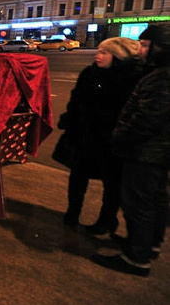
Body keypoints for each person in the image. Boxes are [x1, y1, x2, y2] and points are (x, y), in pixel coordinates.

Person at [92, 26, 170, 276]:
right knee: (155, 200)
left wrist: (120, 137)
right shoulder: (158, 73)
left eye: (146, 45)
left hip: (146, 153)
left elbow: (147, 119)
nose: (140, 50)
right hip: (156, 153)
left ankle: (136, 258)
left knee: (139, 205)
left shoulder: (161, 78)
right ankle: (149, 246)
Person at [56, 37, 143, 235]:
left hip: (111, 140)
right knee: (78, 175)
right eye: (99, 51)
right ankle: (72, 213)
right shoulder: (89, 73)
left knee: (112, 183)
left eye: (104, 52)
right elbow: (76, 99)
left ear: (119, 56)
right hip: (85, 135)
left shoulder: (132, 78)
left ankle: (106, 220)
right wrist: (70, 118)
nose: (98, 55)